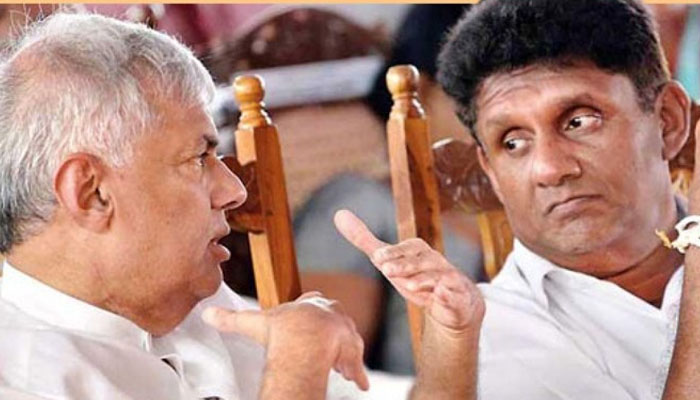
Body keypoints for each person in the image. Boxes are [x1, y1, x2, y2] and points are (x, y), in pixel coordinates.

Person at [0, 11, 478, 400]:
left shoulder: (200, 304)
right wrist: (296, 369)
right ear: (91, 193)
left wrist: (451, 340)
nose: (235, 190)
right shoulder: (19, 377)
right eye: (198, 159)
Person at [338, 0, 696, 398]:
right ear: (490, 171)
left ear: (667, 120)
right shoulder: (487, 344)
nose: (549, 168)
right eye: (513, 143)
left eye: (579, 121)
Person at [294, 4, 482, 375]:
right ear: (419, 91)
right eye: (477, 94)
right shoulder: (357, 208)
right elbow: (326, 375)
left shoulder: (530, 199)